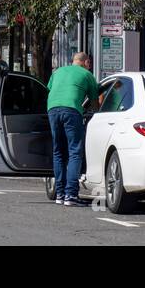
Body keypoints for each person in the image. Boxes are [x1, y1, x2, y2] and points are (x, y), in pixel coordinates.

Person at [46, 52, 99, 207]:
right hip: (71, 110)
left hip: (52, 109)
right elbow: (95, 104)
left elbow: (49, 90)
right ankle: (71, 195)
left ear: (73, 61)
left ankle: (60, 194)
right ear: (86, 62)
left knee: (58, 152)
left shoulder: (58, 71)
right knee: (75, 152)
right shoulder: (87, 74)